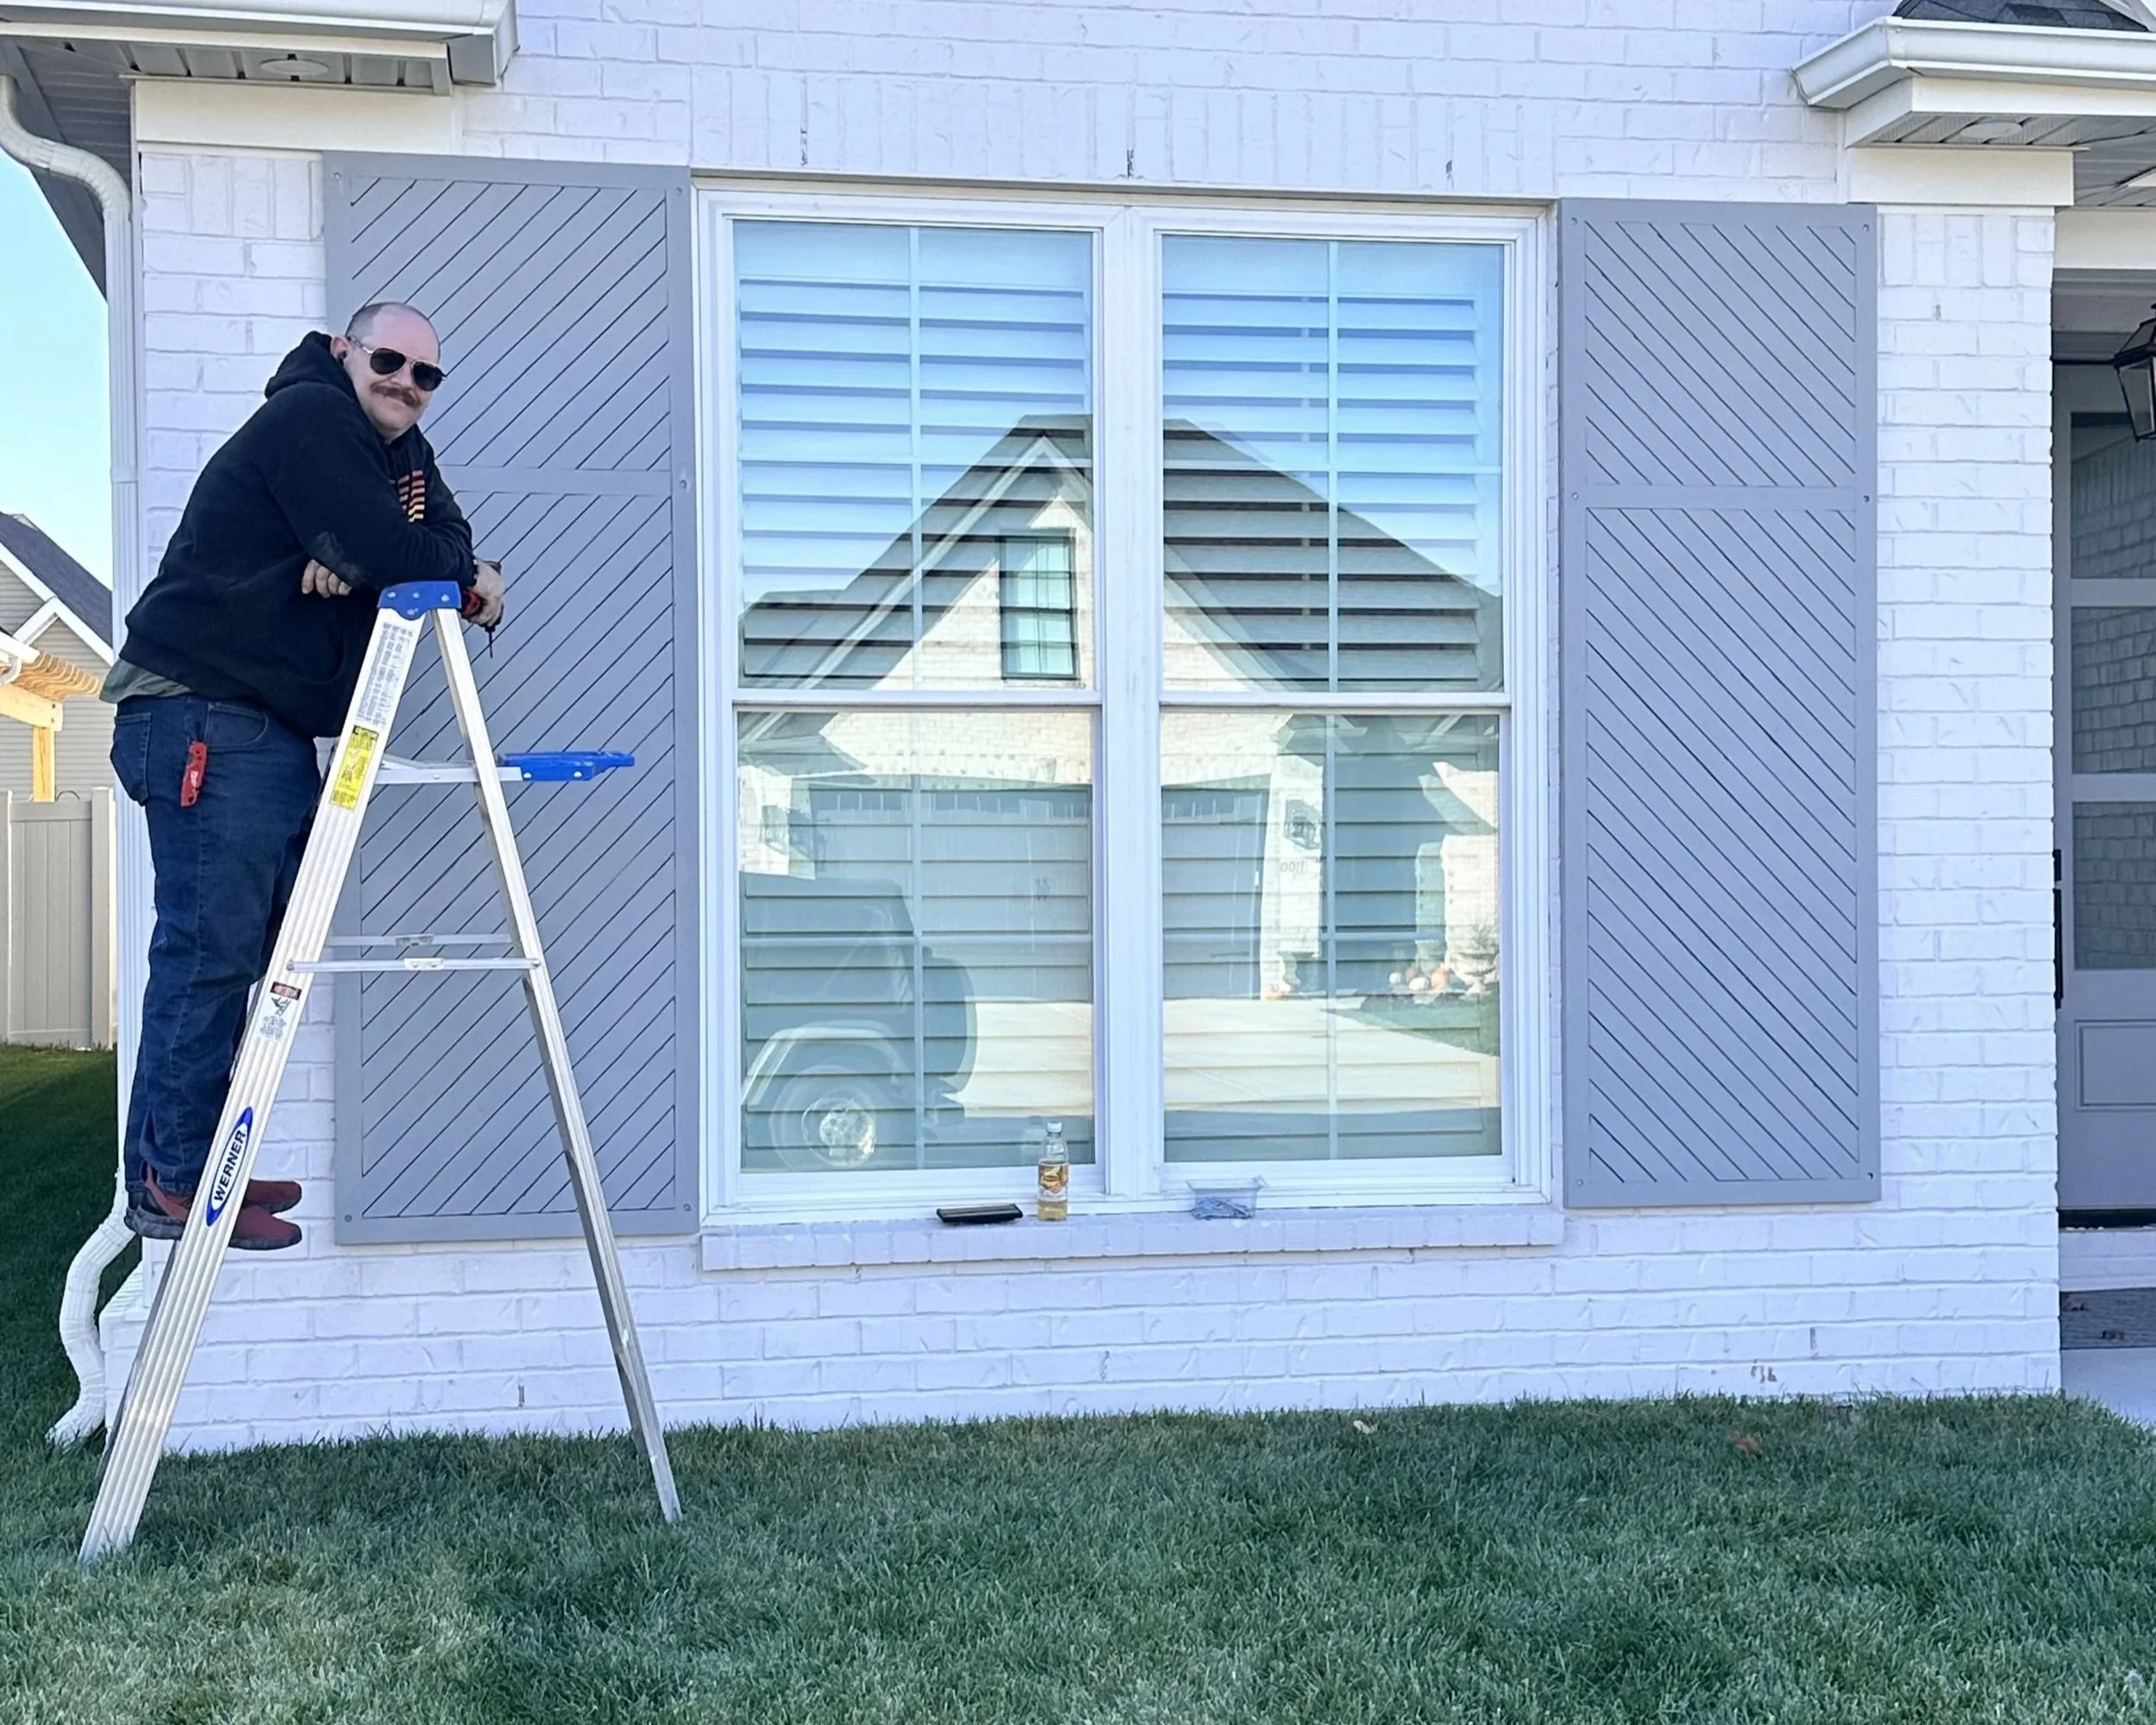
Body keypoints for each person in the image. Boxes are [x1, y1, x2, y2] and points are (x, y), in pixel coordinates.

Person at [105, 302, 505, 1250]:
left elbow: (435, 538)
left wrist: (369, 555)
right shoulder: (312, 417)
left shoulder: (398, 456)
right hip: (205, 711)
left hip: (261, 725)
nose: (407, 382)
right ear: (343, 352)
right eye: (389, 359)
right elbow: (406, 553)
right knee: (209, 954)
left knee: (239, 954)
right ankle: (177, 1175)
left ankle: (183, 1165)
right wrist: (379, 556)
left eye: (426, 374)